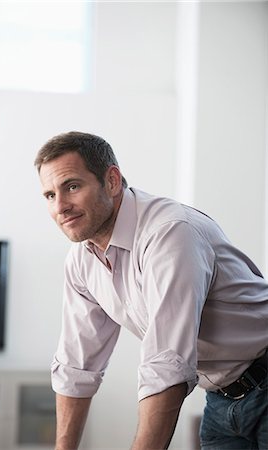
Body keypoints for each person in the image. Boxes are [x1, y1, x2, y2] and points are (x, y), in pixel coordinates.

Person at [35, 131, 268, 450]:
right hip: (221, 397)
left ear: (112, 181)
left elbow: (167, 362)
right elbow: (78, 365)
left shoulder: (168, 232)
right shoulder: (82, 261)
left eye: (72, 186)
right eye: (49, 195)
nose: (60, 206)